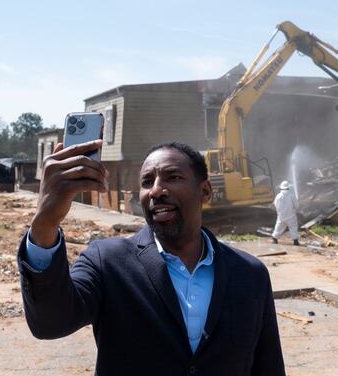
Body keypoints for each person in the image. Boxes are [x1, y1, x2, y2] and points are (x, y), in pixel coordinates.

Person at [18, 140, 285, 375]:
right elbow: (49, 323)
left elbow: (268, 366)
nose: (156, 190)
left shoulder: (250, 274)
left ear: (204, 191)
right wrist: (45, 224)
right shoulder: (107, 262)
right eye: (147, 182)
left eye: (173, 177)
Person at [271, 180, 300, 246]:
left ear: (281, 188)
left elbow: (275, 204)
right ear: (288, 187)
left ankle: (274, 239)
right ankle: (295, 241)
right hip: (291, 216)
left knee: (278, 227)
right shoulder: (292, 196)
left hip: (281, 216)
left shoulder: (278, 196)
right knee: (293, 228)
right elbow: (297, 206)